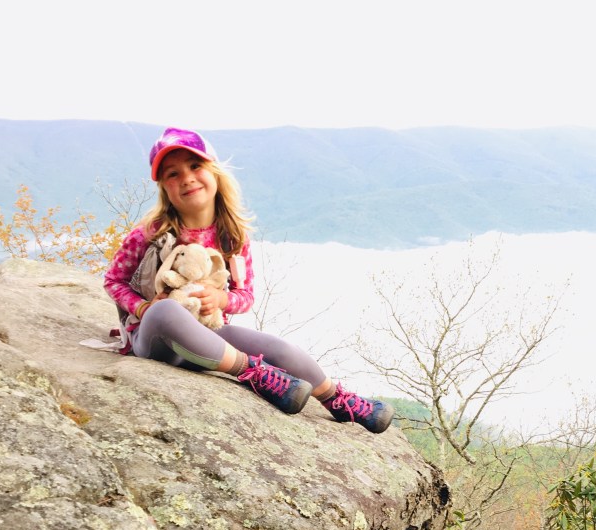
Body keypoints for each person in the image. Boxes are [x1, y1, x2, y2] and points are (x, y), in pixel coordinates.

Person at [104, 126, 393, 433]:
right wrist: (144, 308)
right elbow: (113, 281)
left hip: (209, 339)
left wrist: (221, 299)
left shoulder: (231, 236)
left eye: (195, 166)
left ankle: (337, 400)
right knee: (166, 311)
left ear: (214, 172)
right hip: (157, 340)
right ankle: (254, 372)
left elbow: (246, 296)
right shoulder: (151, 232)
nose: (186, 178)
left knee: (276, 347)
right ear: (164, 188)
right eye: (172, 174)